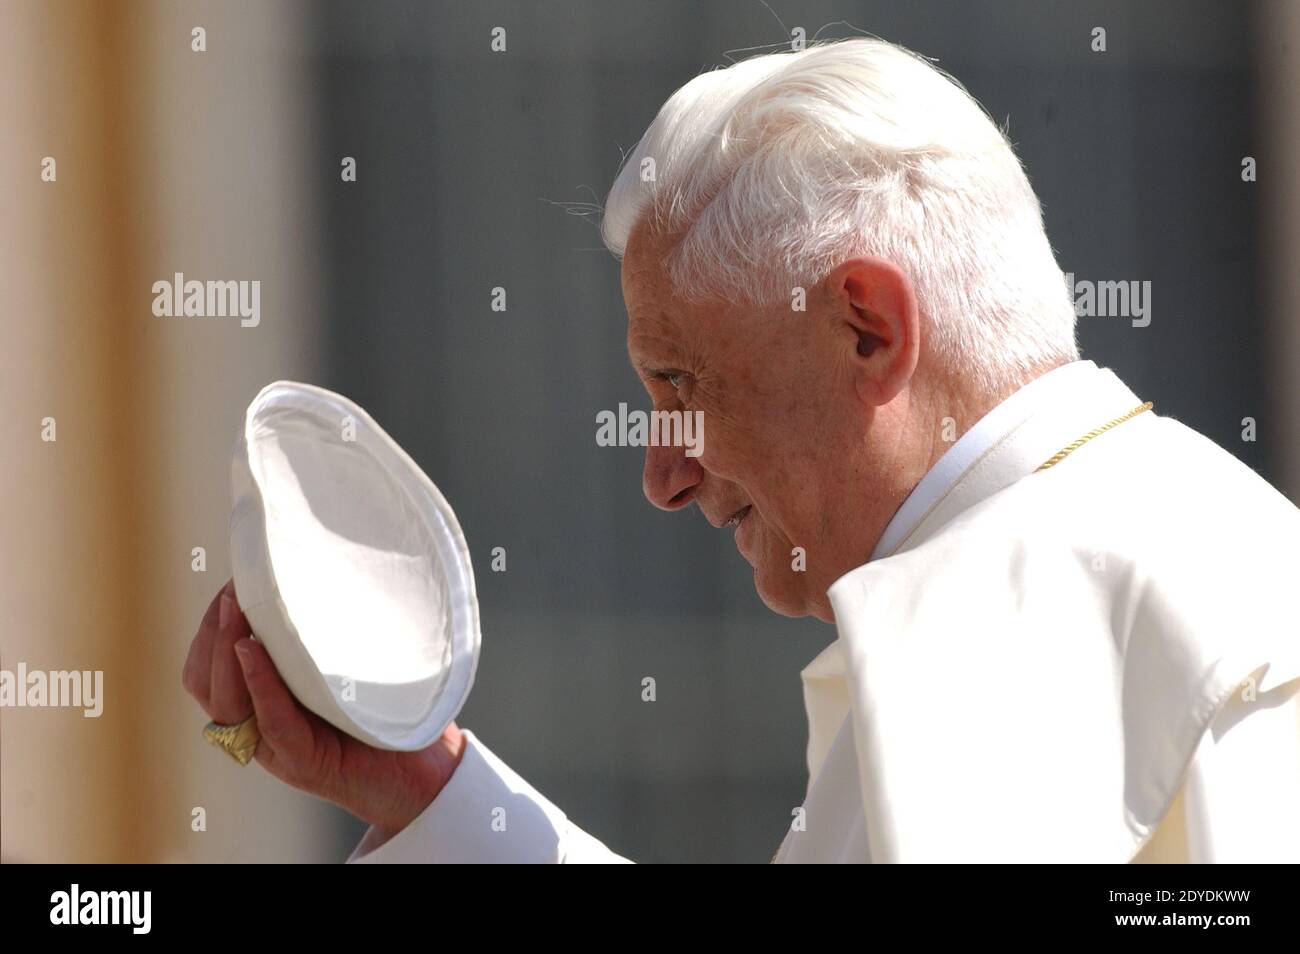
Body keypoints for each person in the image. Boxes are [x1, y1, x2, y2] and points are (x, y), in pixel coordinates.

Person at [183, 37, 1300, 862]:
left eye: (680, 385)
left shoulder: (1038, 606)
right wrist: (428, 797)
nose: (659, 478)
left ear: (869, 327)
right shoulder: (1154, 547)